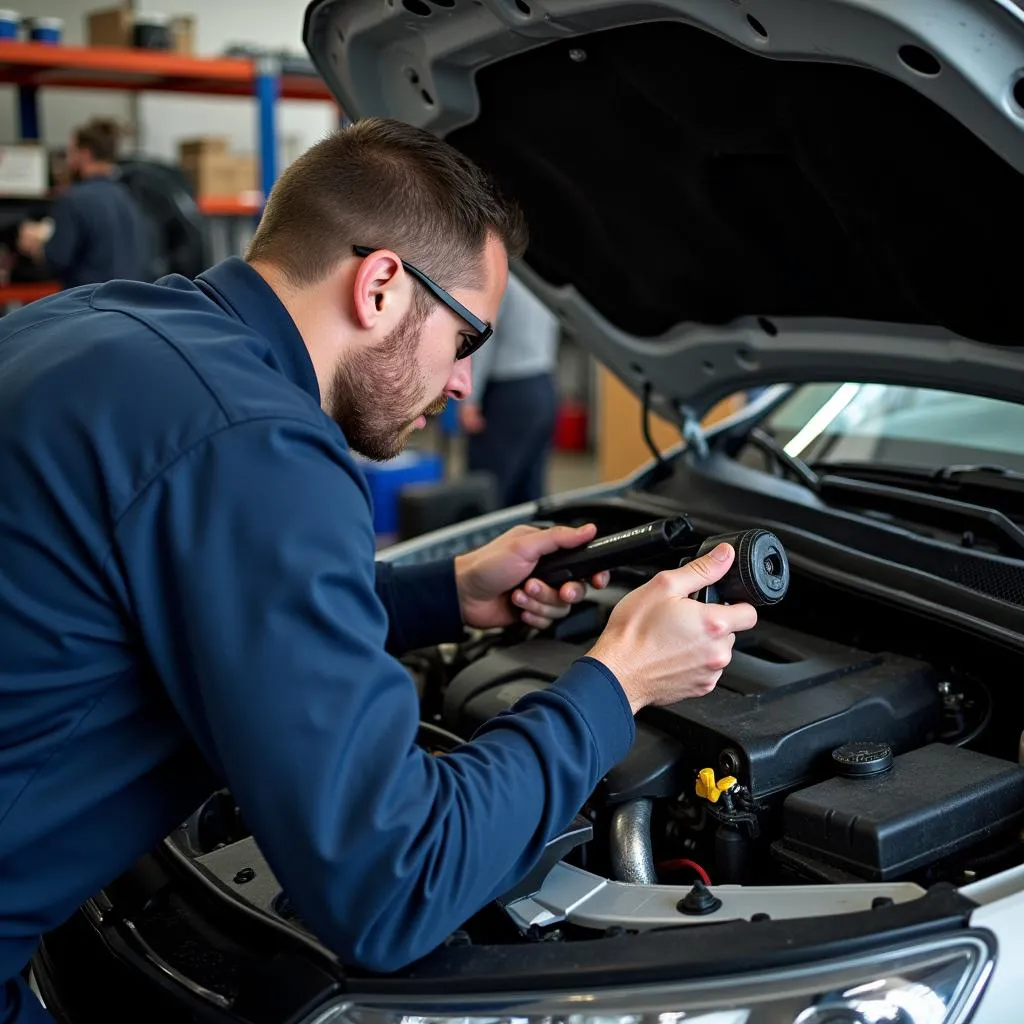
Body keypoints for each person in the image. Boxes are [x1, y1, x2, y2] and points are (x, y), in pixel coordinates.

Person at [0, 118, 758, 1023]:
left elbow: (185, 600)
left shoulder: (96, 325)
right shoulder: (259, 444)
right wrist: (617, 683)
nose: (463, 384)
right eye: (467, 339)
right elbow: (392, 883)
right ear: (384, 285)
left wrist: (444, 594)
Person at [460, 271, 561, 505]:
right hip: (544, 386)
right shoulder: (543, 280)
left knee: (487, 488)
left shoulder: (501, 277)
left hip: (508, 392)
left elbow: (485, 339)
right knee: (530, 491)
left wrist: (470, 399)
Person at [16, 117, 145, 289]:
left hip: (89, 305)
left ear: (85, 154)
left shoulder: (73, 199)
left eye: (70, 152)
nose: (67, 160)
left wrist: (34, 247)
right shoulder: (127, 195)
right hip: (127, 304)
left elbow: (57, 260)